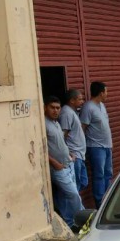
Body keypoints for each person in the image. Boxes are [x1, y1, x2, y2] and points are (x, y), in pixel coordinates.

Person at [45, 96, 84, 229]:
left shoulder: (56, 123)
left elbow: (59, 143)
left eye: (58, 108)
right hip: (57, 168)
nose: (55, 111)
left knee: (65, 197)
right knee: (73, 194)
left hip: (68, 164)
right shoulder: (43, 124)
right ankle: (85, 219)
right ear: (45, 107)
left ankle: (69, 223)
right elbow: (41, 149)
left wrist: (69, 154)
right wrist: (54, 162)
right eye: (52, 107)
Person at [80, 81, 113, 205]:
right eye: (106, 92)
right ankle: (100, 203)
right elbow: (82, 128)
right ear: (101, 93)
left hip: (107, 146)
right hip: (95, 147)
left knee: (108, 173)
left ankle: (108, 200)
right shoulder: (88, 107)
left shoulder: (101, 106)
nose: (107, 94)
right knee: (99, 175)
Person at [59, 89, 88, 192]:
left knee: (83, 182)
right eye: (80, 99)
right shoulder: (66, 113)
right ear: (72, 100)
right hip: (74, 154)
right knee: (76, 185)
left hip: (80, 153)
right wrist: (68, 152)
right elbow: (63, 135)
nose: (82, 101)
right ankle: (75, 207)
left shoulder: (73, 112)